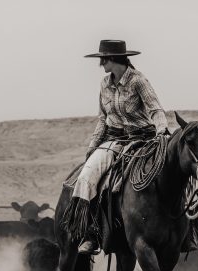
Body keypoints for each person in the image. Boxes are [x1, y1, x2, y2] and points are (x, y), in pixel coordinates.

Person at [63, 40, 170, 255]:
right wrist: (93, 146)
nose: (100, 63)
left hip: (143, 139)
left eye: (103, 58)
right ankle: (91, 234)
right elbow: (103, 119)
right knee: (86, 177)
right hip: (113, 140)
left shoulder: (138, 81)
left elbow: (155, 109)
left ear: (112, 59)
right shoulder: (104, 84)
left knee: (173, 170)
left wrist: (161, 130)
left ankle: (183, 232)